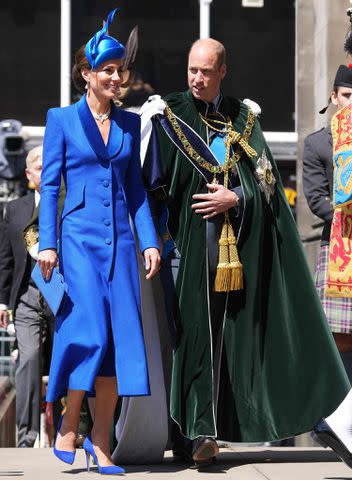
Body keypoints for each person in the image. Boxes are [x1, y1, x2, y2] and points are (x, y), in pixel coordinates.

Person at [141, 38, 352, 468]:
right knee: (194, 335)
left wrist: (235, 198)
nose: (197, 79)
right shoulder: (166, 114)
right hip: (184, 247)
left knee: (229, 342)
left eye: (206, 71)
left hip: (237, 251)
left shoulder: (244, 116)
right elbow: (150, 188)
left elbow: (268, 183)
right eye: (191, 69)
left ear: (223, 71)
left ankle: (209, 429)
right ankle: (197, 431)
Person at [37, 9, 160, 474]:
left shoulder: (129, 125)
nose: (115, 77)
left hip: (122, 246)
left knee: (116, 345)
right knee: (90, 330)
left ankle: (101, 441)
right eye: (106, 70)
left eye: (119, 70)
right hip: (78, 241)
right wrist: (47, 242)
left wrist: (148, 240)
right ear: (86, 74)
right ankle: (70, 420)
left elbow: (135, 191)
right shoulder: (61, 120)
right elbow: (50, 186)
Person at [0, 145, 54, 447]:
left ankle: (69, 432)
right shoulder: (14, 209)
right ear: (29, 174)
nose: (46, 172)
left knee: (66, 359)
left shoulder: (67, 202)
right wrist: (2, 301)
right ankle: (26, 436)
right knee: (29, 357)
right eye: (40, 167)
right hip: (26, 295)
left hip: (64, 294)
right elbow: (5, 260)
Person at [303, 64, 352, 382]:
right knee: (340, 335)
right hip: (338, 244)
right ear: (334, 97)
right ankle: (337, 413)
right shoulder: (318, 143)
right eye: (347, 96)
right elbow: (316, 199)